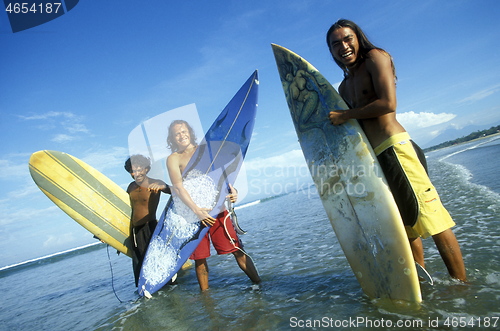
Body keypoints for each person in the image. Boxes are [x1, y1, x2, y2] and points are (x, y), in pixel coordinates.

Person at [326, 19, 466, 281]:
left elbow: (388, 103)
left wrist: (346, 114)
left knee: (432, 218)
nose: (343, 46)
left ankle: (462, 288)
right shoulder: (344, 87)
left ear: (358, 38)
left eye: (347, 39)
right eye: (335, 44)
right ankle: (419, 284)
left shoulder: (375, 58)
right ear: (331, 52)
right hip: (376, 160)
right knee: (406, 227)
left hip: (396, 148)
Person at [166, 119, 261, 291]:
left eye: (183, 131)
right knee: (200, 259)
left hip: (217, 210)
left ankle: (260, 285)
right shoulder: (173, 158)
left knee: (236, 249)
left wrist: (234, 191)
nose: (181, 135)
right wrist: (197, 211)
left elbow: (222, 175)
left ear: (190, 132)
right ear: (172, 138)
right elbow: (178, 187)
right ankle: (207, 300)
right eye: (177, 134)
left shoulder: (206, 150)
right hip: (193, 215)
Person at [125, 154, 171, 287]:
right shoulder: (130, 187)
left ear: (146, 169)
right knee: (139, 264)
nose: (136, 173)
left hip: (150, 227)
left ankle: (168, 286)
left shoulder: (155, 183)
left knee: (156, 261)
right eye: (133, 170)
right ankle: (146, 289)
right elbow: (129, 210)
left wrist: (164, 188)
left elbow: (176, 192)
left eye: (140, 169)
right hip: (134, 230)